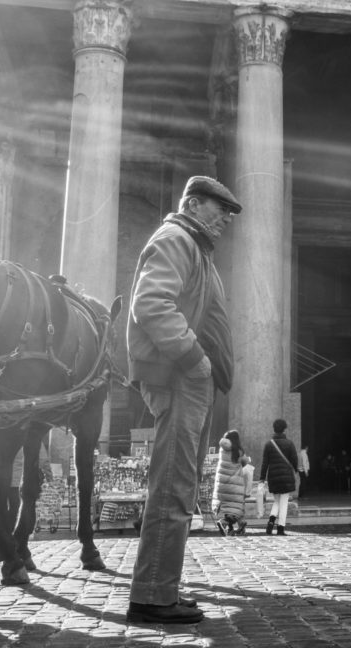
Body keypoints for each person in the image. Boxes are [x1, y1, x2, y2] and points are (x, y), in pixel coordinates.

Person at [125, 175, 240, 625]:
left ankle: (162, 585)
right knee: (173, 484)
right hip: (180, 375)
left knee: (182, 485)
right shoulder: (177, 238)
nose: (227, 218)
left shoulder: (195, 246)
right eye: (220, 208)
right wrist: (196, 359)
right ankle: (153, 595)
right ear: (193, 204)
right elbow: (151, 303)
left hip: (189, 378)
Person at [260, 418, 300, 535]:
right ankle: (281, 528)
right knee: (283, 502)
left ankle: (271, 522)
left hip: (273, 477)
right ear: (284, 429)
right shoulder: (289, 443)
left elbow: (264, 463)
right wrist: (296, 470)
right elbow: (294, 460)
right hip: (286, 477)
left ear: (274, 429)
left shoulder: (268, 444)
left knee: (277, 500)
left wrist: (262, 478)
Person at [212, 430, 249, 536]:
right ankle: (223, 523)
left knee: (230, 507)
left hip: (222, 484)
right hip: (234, 484)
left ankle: (241, 524)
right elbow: (245, 462)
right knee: (236, 506)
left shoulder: (222, 449)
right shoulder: (239, 451)